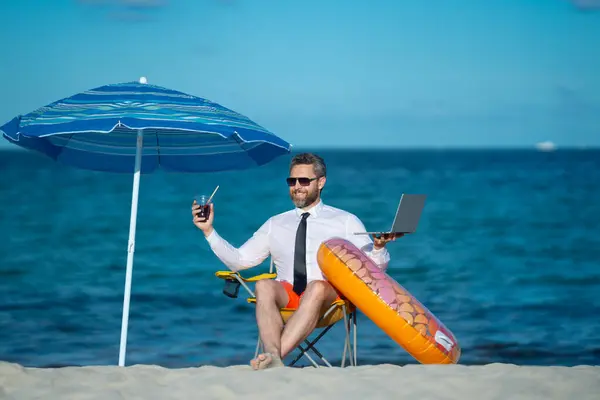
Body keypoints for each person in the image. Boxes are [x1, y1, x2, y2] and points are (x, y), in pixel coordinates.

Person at [191, 152, 401, 370]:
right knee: (263, 285)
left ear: (321, 182)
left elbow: (373, 271)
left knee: (317, 287)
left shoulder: (345, 221)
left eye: (304, 181)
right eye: (292, 181)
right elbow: (240, 261)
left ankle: (274, 356)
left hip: (329, 302)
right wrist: (209, 232)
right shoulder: (276, 223)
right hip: (289, 296)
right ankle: (273, 357)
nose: (297, 186)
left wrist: (378, 248)